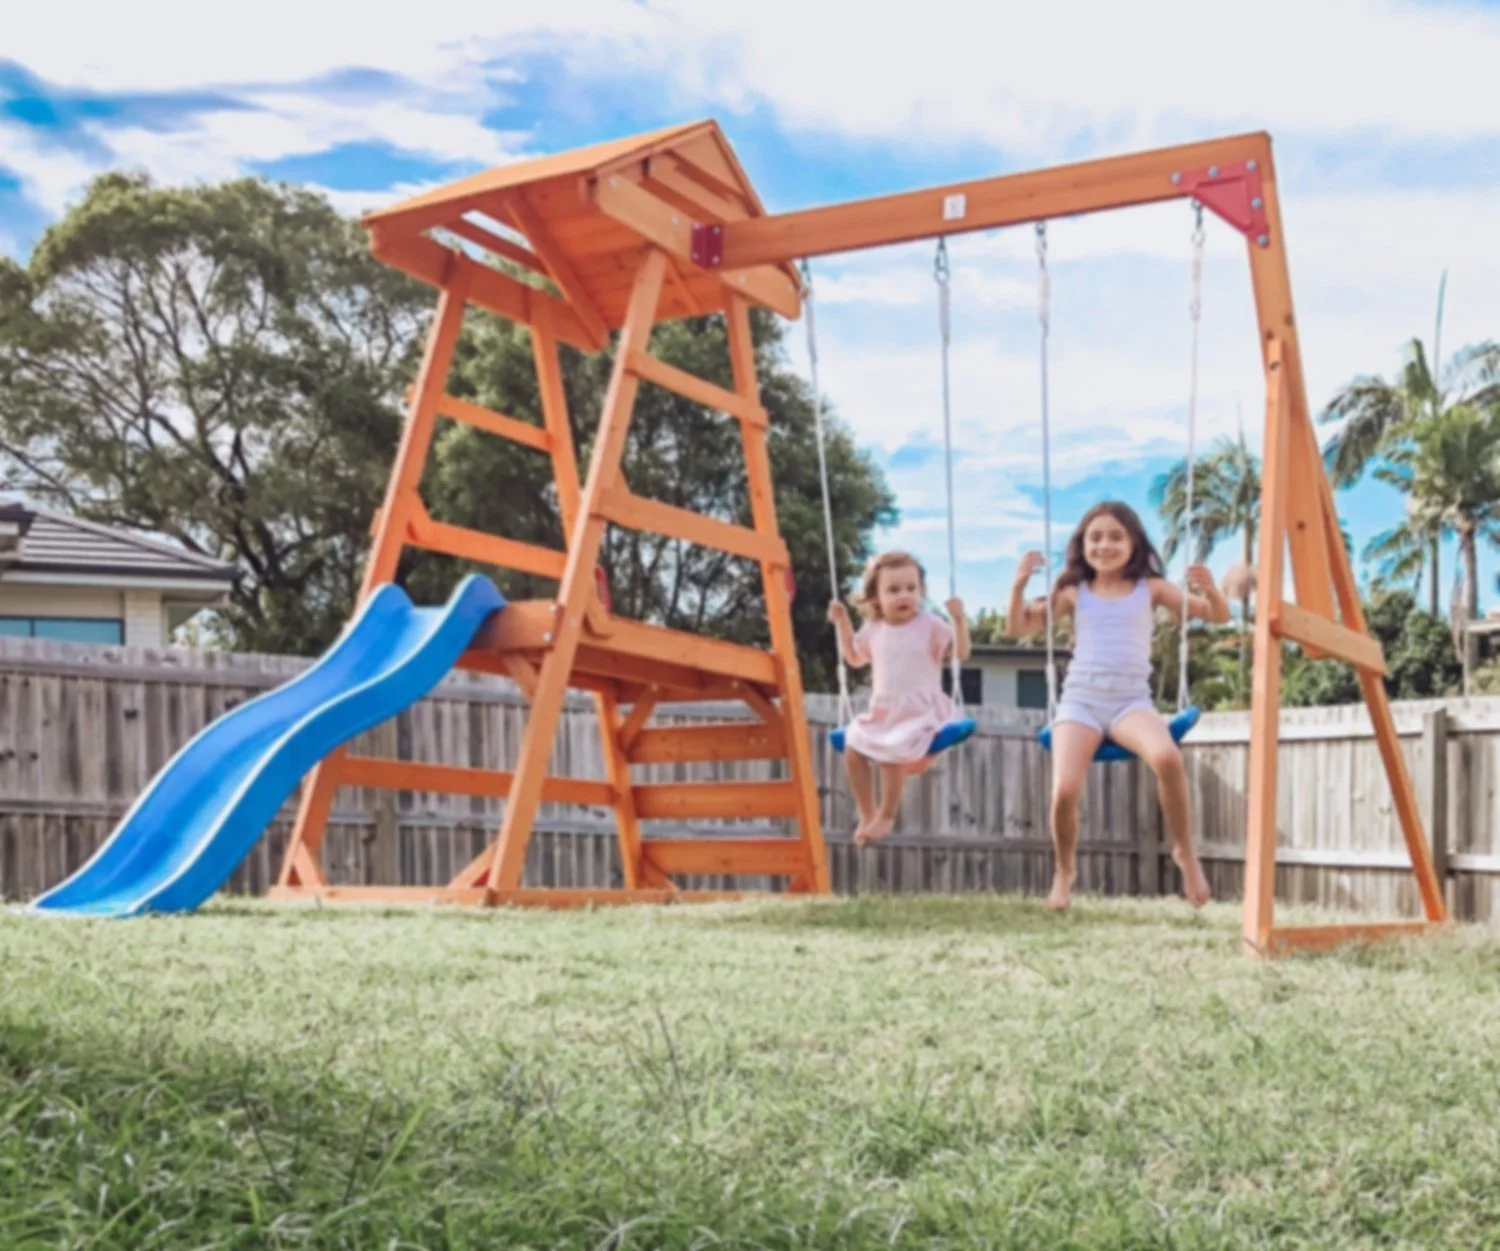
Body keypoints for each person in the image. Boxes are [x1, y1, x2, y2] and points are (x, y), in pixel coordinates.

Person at [1008, 501, 1229, 911]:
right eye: (1095, 537)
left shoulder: (1153, 588)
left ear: (1133, 544)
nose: (1104, 545)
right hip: (1081, 703)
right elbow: (1018, 628)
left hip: (1131, 703)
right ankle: (1064, 871)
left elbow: (1216, 616)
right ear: (1082, 545)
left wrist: (1211, 592)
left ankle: (1186, 853)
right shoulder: (1073, 592)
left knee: (1167, 758)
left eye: (1115, 537)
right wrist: (1019, 588)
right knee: (1064, 791)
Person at [827, 551, 971, 845]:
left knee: (891, 750)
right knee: (854, 749)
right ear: (876, 597)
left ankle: (888, 814)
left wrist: (958, 620)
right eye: (893, 590)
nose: (904, 595)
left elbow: (960, 652)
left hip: (920, 712)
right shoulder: (874, 630)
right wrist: (842, 625)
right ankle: (867, 813)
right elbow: (855, 658)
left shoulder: (930, 624)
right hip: (884, 712)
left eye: (911, 588)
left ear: (921, 591)